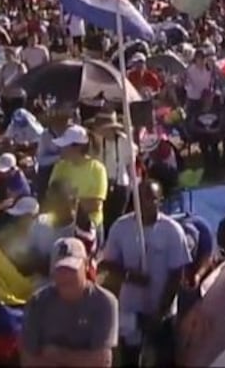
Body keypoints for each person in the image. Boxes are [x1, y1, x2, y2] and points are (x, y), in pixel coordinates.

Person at [101, 180, 191, 366]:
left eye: (150, 198)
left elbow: (177, 274)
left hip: (162, 312)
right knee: (131, 359)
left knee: (164, 360)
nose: (144, 203)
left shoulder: (172, 231)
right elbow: (107, 264)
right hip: (131, 310)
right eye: (140, 198)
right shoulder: (120, 227)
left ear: (160, 201)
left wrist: (160, 313)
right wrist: (129, 275)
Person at [21, 237, 117, 367]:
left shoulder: (104, 302)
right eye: (60, 269)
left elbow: (101, 361)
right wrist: (81, 359)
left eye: (72, 268)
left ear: (86, 266)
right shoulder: (38, 302)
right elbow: (28, 360)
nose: (66, 275)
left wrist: (57, 354)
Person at [49, 125, 108, 247]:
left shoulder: (97, 169)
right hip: (62, 226)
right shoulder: (60, 166)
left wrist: (68, 203)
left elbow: (95, 205)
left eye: (65, 145)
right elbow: (51, 196)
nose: (61, 148)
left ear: (77, 147)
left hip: (90, 228)